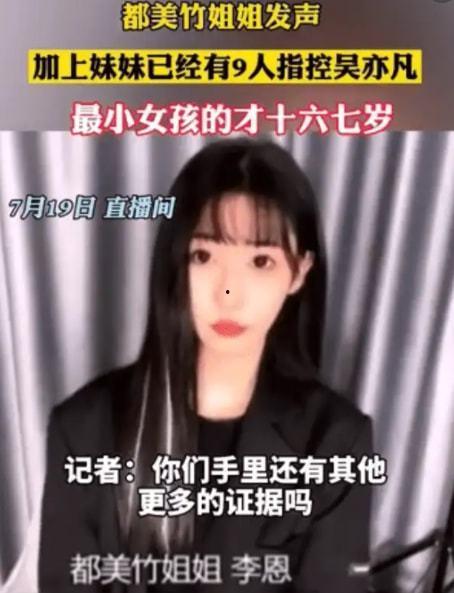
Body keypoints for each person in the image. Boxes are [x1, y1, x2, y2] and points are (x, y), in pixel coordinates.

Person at [39, 138, 373, 593]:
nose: (228, 293)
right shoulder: (82, 429)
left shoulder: (335, 441)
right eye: (204, 256)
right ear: (176, 264)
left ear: (298, 272)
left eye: (260, 261)